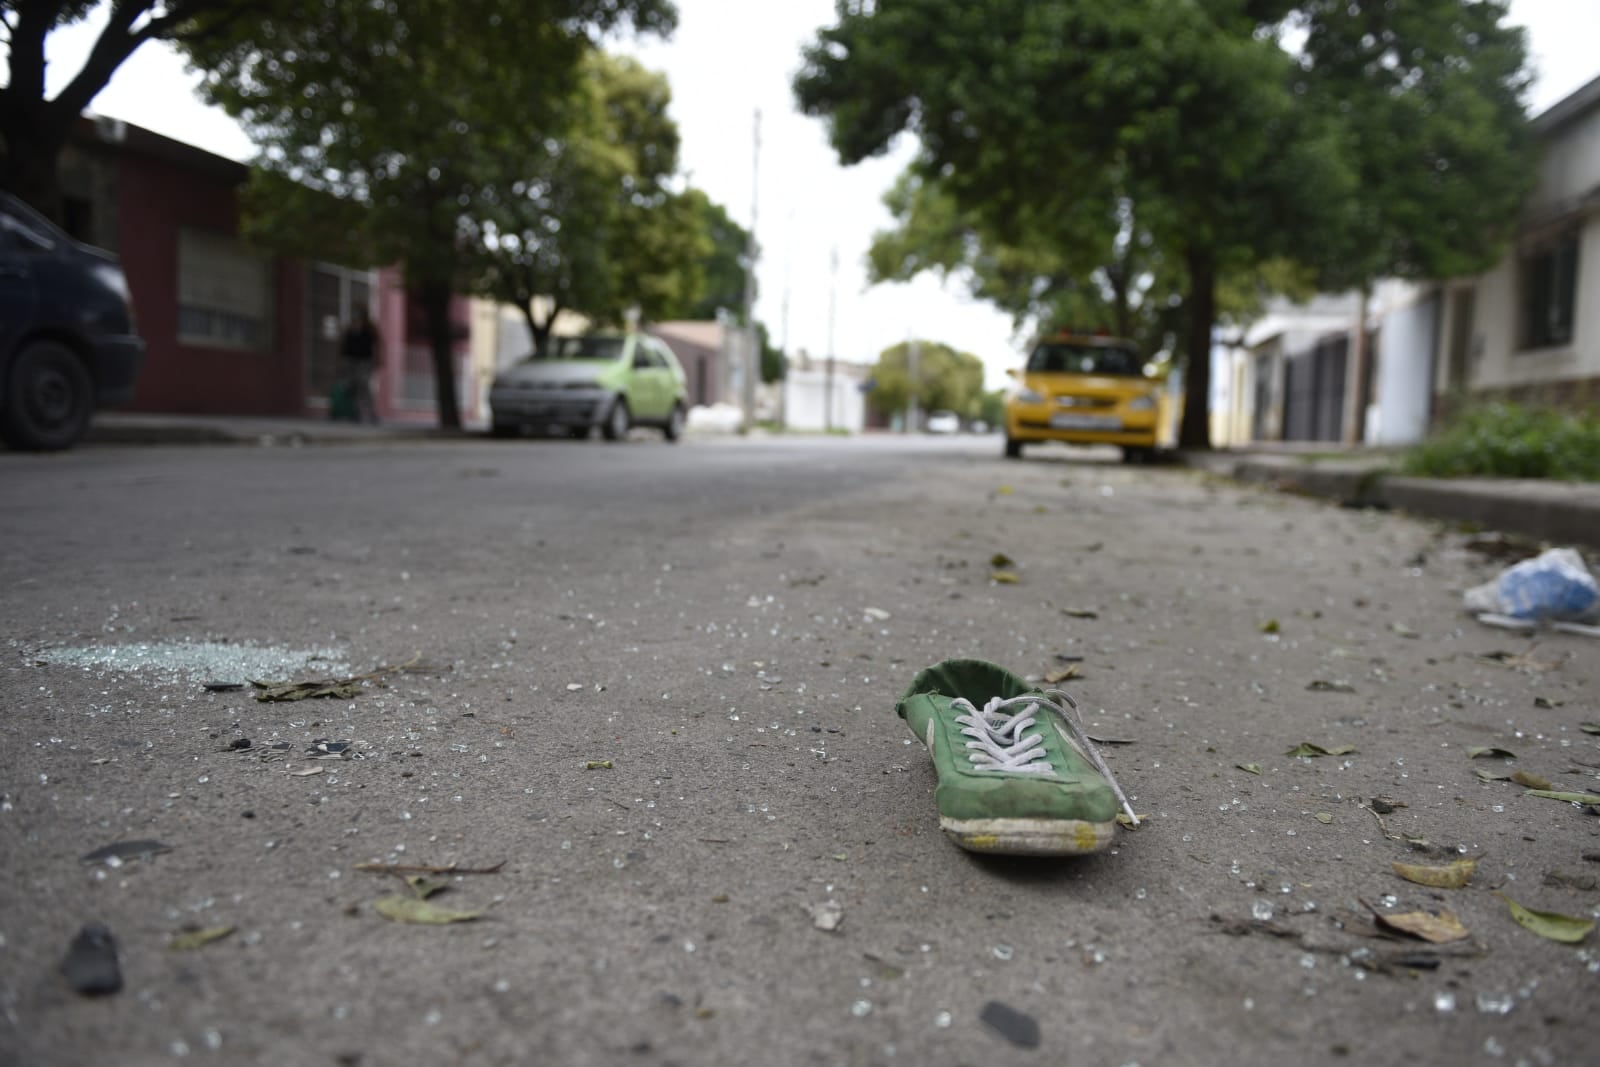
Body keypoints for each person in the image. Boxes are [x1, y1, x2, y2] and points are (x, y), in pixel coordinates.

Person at [338, 307, 380, 424]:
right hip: (351, 360)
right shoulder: (350, 329)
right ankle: (355, 412)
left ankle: (372, 413)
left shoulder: (370, 329)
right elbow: (344, 345)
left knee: (364, 384)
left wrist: (378, 359)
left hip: (365, 361)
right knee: (352, 386)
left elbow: (377, 344)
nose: (356, 317)